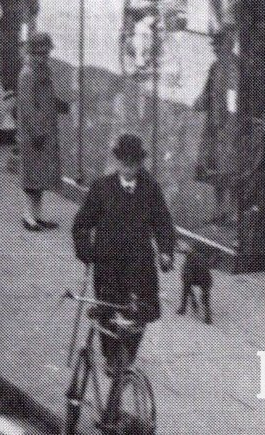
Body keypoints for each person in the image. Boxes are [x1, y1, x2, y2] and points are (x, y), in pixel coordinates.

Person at [70, 134, 176, 368]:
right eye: (124, 162)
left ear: (140, 163)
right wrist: (86, 252)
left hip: (140, 264)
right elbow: (81, 225)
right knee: (108, 310)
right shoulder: (102, 188)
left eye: (134, 163)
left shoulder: (150, 189)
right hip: (108, 263)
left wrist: (166, 251)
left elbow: (163, 223)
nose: (129, 168)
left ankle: (127, 356)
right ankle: (110, 357)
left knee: (140, 313)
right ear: (117, 162)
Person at [16, 34, 66, 231]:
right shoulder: (28, 74)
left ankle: (37, 216)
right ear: (32, 53)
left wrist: (62, 106)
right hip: (34, 135)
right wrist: (38, 132)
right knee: (32, 178)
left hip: (44, 133)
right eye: (40, 54)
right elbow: (28, 107)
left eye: (46, 53)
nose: (44, 57)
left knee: (40, 176)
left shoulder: (42, 71)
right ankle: (28, 216)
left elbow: (48, 98)